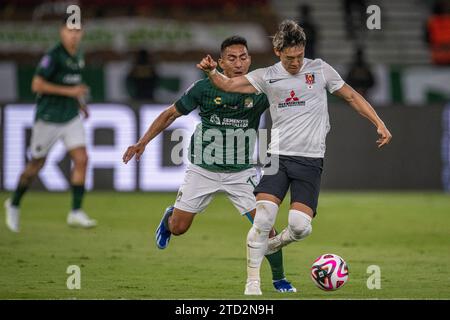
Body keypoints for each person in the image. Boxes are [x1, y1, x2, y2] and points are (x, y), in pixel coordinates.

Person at [197, 20, 392, 295]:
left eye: (300, 56)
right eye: (290, 58)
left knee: (300, 228)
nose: (296, 62)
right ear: (278, 52)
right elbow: (228, 85)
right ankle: (252, 283)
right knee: (263, 219)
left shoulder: (320, 69)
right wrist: (212, 72)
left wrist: (378, 122)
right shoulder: (266, 76)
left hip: (310, 161)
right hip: (278, 159)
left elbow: (350, 95)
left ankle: (275, 244)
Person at [123, 36, 296, 293]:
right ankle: (170, 216)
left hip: (242, 172)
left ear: (249, 60)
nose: (239, 63)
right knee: (179, 228)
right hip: (203, 170)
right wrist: (142, 142)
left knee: (266, 227)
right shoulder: (203, 89)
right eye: (232, 58)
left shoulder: (260, 90)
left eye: (244, 57)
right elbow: (170, 113)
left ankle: (279, 279)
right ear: (220, 62)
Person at [4, 17, 97, 232]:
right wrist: (70, 92)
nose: (74, 35)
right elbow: (36, 84)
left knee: (82, 159)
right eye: (70, 31)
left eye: (78, 31)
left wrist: (80, 103)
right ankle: (15, 202)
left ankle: (75, 212)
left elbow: (73, 83)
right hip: (48, 118)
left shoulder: (79, 55)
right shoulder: (53, 56)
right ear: (61, 32)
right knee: (36, 165)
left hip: (70, 116)